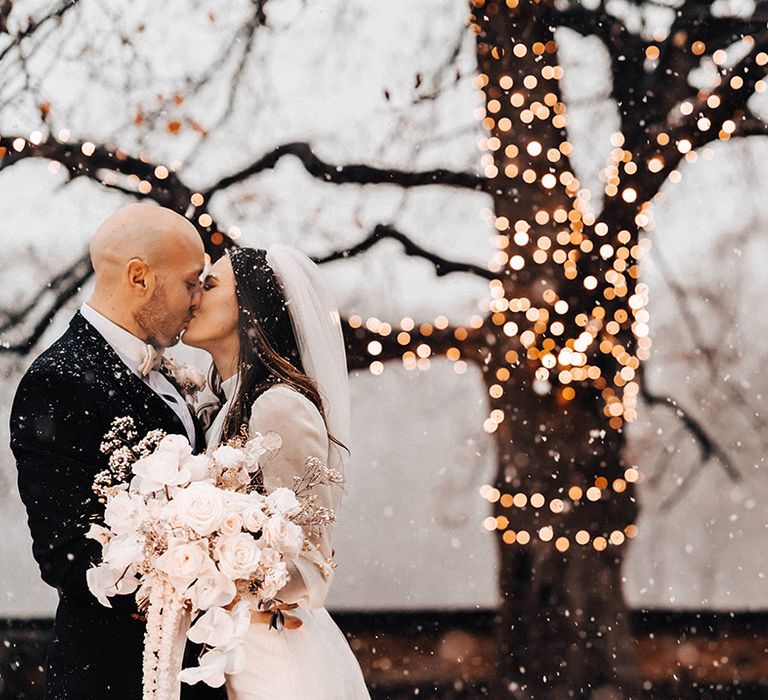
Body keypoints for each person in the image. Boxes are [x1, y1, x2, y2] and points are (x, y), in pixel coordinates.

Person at [9, 203, 224, 700]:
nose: (198, 300)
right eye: (192, 282)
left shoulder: (173, 370)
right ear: (139, 277)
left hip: (191, 670)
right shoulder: (58, 381)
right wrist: (200, 565)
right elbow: (66, 556)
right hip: (113, 674)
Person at [182, 245, 370, 699]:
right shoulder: (221, 407)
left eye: (210, 286)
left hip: (275, 655)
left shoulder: (279, 406)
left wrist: (209, 570)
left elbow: (312, 565)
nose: (194, 298)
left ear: (251, 307)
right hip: (233, 648)